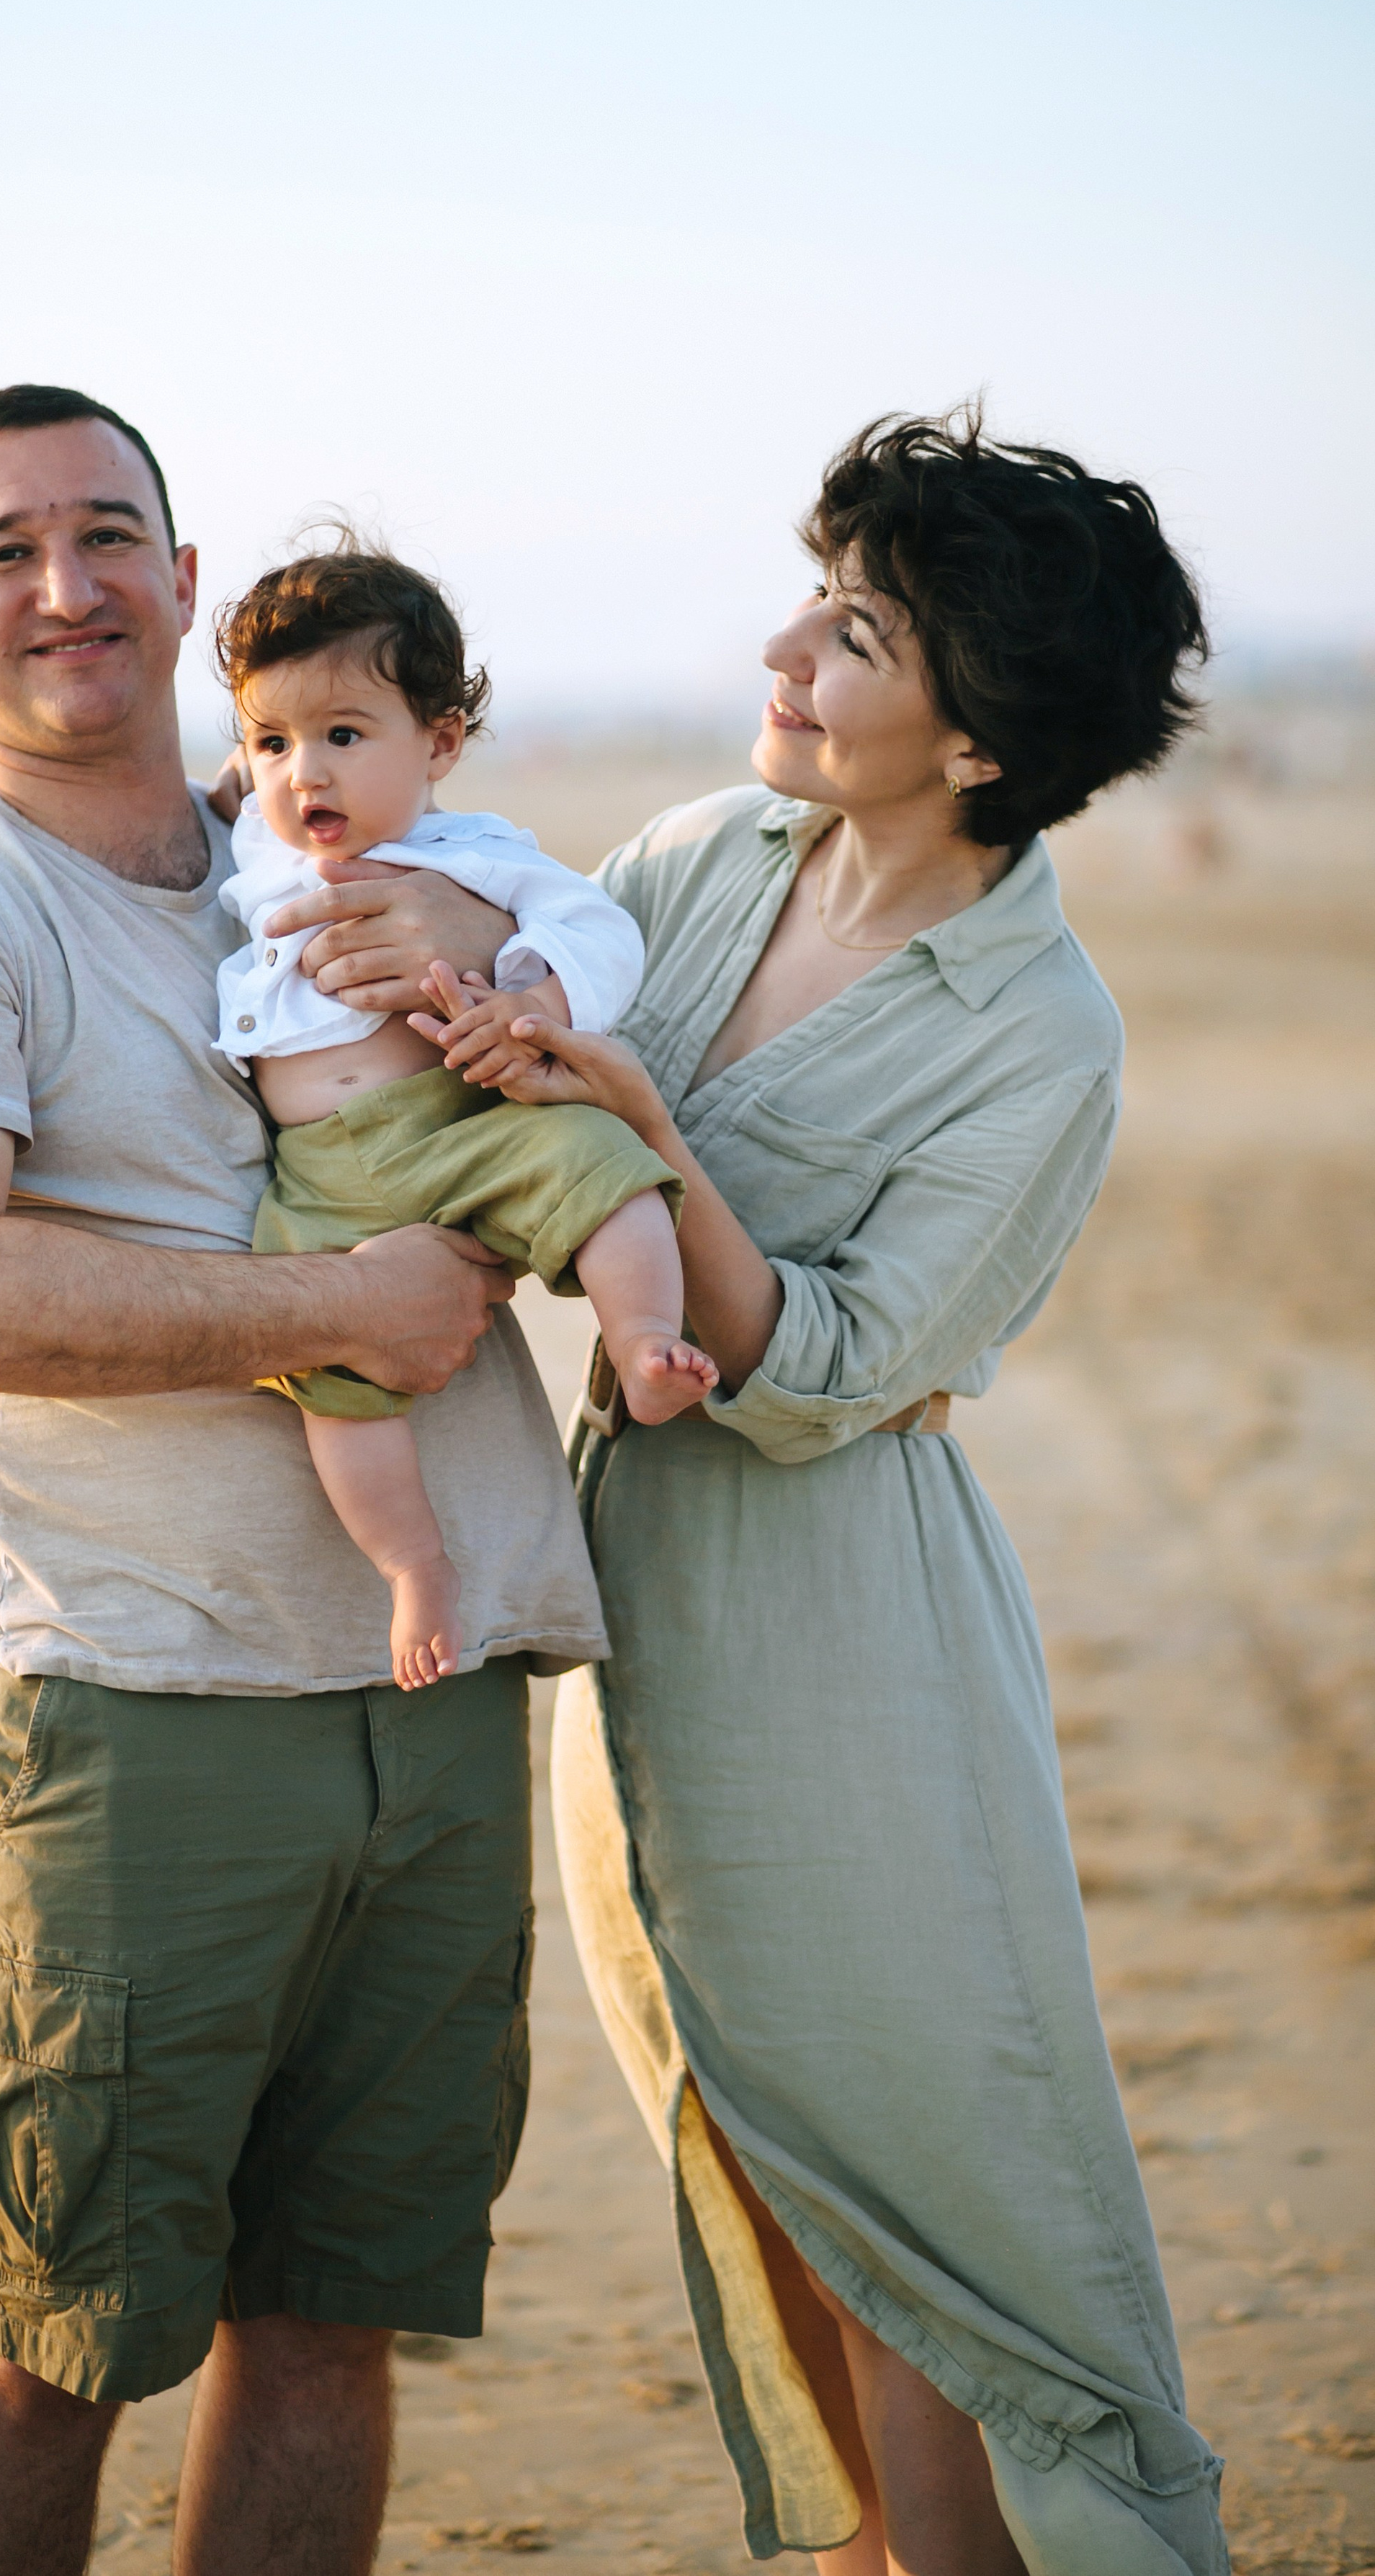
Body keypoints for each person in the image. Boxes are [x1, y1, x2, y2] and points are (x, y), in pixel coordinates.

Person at [0, 383, 611, 2576]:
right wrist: (335, 1304)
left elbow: (564, 1100)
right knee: (50, 2337)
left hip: (435, 1707)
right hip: (139, 1713)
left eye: (107, 533)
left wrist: (508, 990)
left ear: (181, 576)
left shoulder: (343, 856)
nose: (63, 585)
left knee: (335, 2322)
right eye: (3, 552)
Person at [419, 411, 1231, 2575]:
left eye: (856, 630)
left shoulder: (1041, 1027)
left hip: (847, 1620)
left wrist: (635, 1132)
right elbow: (518, 1143)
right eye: (815, 596)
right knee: (736, 2128)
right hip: (629, 1604)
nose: (785, 647)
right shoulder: (700, 859)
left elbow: (843, 1374)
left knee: (909, 2166)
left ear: (979, 739)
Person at [212, 539, 714, 1687]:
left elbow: (600, 933)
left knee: (606, 1167)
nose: (307, 775)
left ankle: (641, 1345)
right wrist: (247, 772)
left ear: (438, 744)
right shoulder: (259, 834)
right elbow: (237, 789)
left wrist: (535, 993)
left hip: (466, 1124)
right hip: (322, 1176)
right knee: (332, 1384)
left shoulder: (475, 853)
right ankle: (413, 1566)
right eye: (273, 742)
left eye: (344, 735)